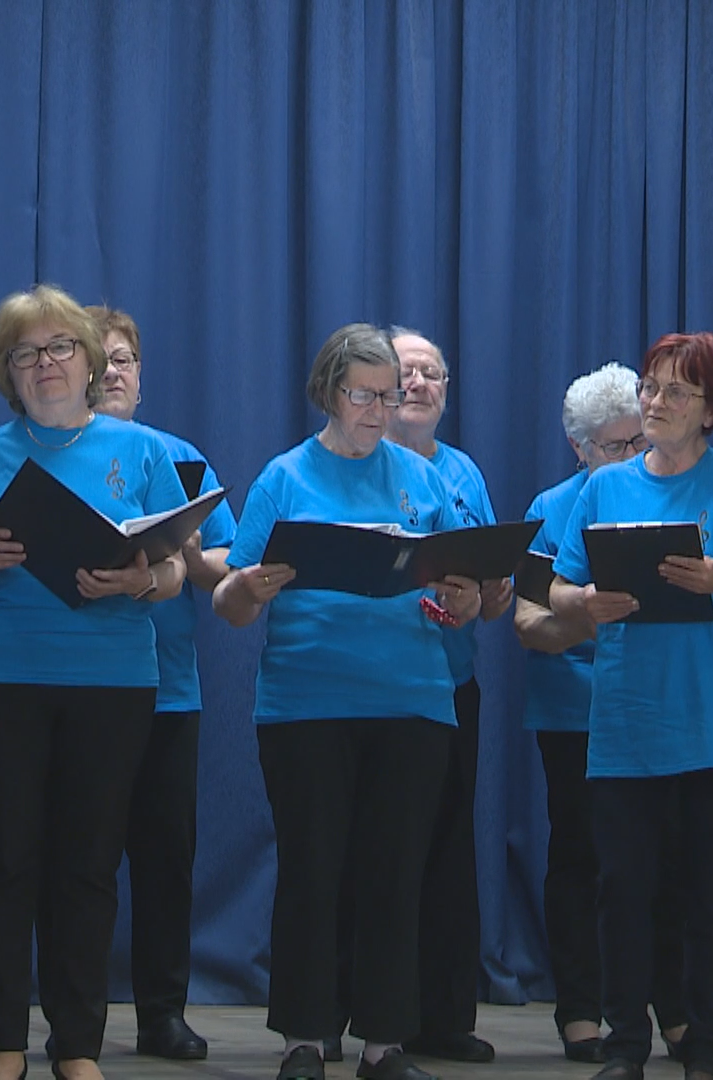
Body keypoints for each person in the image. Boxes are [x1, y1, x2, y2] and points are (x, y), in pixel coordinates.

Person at [0, 285, 189, 1080]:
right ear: (7, 371)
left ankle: (76, 1047)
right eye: (25, 353)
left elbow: (174, 567)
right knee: (2, 861)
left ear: (90, 361)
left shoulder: (143, 453)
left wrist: (139, 581)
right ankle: (5, 1044)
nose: (44, 364)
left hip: (110, 682)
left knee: (88, 865)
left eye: (60, 347)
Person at [213, 323, 483, 1080]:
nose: (379, 410)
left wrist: (463, 596)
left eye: (388, 396)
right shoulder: (284, 478)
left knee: (395, 874)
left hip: (413, 701)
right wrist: (248, 587)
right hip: (307, 705)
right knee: (313, 869)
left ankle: (384, 1043)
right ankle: (305, 1038)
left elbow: (465, 594)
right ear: (329, 393)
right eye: (363, 395)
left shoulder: (423, 478)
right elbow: (231, 604)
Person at [546, 332, 713, 1080]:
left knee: (712, 897)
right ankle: (625, 1044)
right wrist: (586, 602)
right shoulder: (605, 487)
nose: (654, 402)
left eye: (675, 391)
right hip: (627, 724)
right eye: (649, 387)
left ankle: (705, 1047)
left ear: (711, 409)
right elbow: (558, 588)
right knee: (623, 893)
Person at [514, 362, 691, 1067]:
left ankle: (673, 1007)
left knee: (669, 862)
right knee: (582, 861)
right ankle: (582, 1009)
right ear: (578, 448)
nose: (628, 455)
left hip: (660, 703)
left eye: (636, 440)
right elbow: (528, 622)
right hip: (575, 709)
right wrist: (588, 618)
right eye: (613, 446)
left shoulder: (670, 491)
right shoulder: (555, 506)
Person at [90, 304, 238, 1061]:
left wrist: (191, 552)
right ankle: (73, 1016)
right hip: (75, 691)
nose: (113, 371)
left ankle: (162, 1013)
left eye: (124, 359)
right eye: (100, 359)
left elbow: (226, 566)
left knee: (163, 860)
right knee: (77, 861)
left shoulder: (180, 460)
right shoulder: (50, 453)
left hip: (168, 689)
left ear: (141, 375)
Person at [374, 329, 513, 1064]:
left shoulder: (464, 473)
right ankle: (348, 1013)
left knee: (446, 851)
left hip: (453, 685)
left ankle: (442, 1015)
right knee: (370, 853)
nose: (420, 384)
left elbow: (493, 587)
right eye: (406, 371)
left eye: (433, 374)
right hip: (372, 690)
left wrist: (493, 590)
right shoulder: (354, 464)